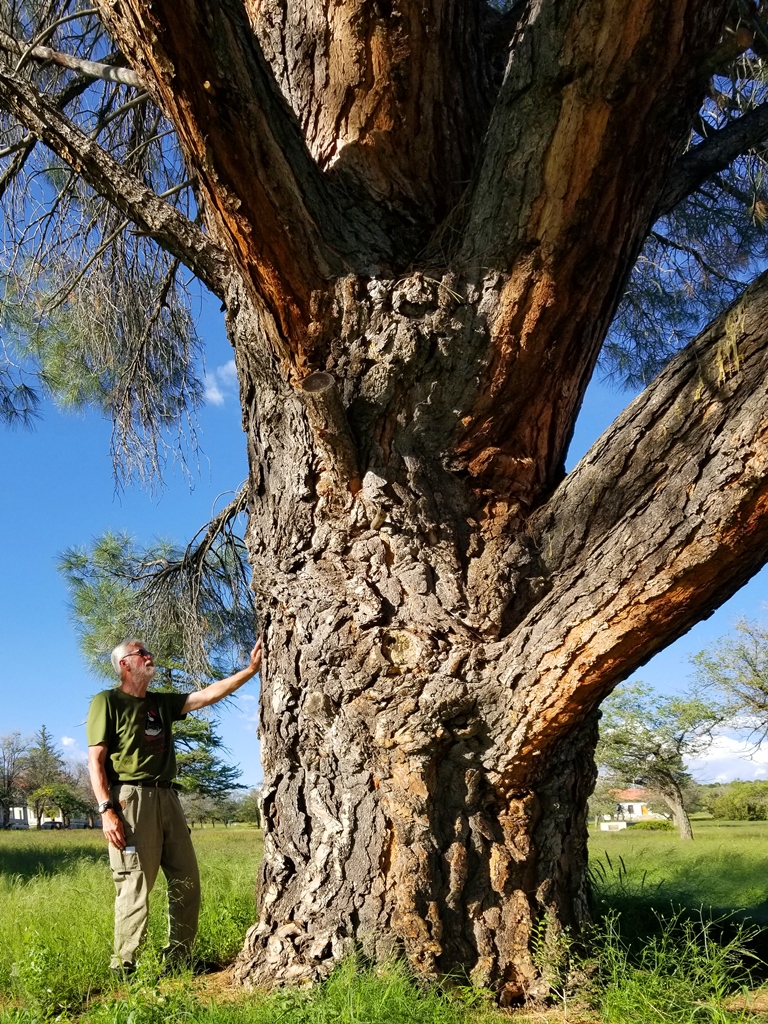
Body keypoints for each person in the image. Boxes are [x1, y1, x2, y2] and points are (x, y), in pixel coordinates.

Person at [87, 637, 262, 974]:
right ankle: (123, 966)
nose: (150, 656)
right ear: (124, 664)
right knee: (135, 885)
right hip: (131, 799)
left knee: (187, 879)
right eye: (142, 653)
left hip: (168, 797)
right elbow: (95, 761)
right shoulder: (107, 701)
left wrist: (250, 670)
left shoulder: (160, 704)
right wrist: (107, 810)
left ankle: (180, 960)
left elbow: (206, 695)